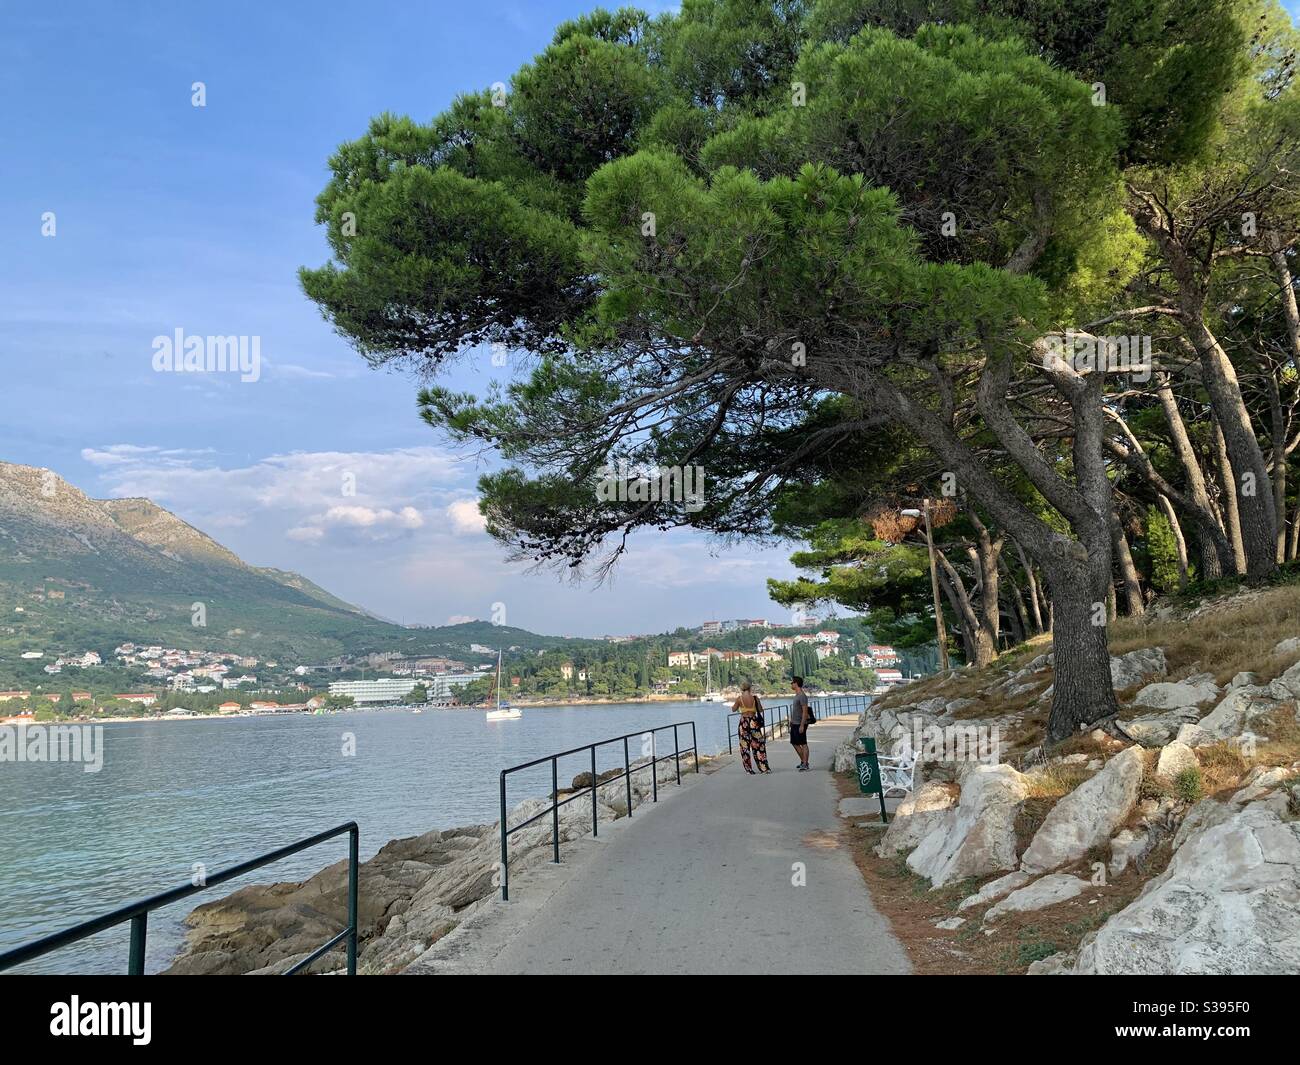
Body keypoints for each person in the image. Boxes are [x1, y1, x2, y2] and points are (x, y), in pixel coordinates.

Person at [732, 681, 770, 774]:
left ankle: (749, 769)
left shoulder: (739, 699)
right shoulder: (755, 698)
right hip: (754, 722)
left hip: (744, 722)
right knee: (759, 745)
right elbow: (760, 710)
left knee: (745, 746)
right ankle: (764, 768)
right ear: (750, 688)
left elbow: (733, 709)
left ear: (742, 689)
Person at [790, 676, 811, 770]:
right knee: (794, 743)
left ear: (796, 683)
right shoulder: (797, 695)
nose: (791, 684)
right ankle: (803, 761)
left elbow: (805, 712)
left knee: (803, 743)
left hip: (800, 723)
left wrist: (802, 725)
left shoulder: (802, 696)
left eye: (792, 682)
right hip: (794, 723)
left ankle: (805, 764)